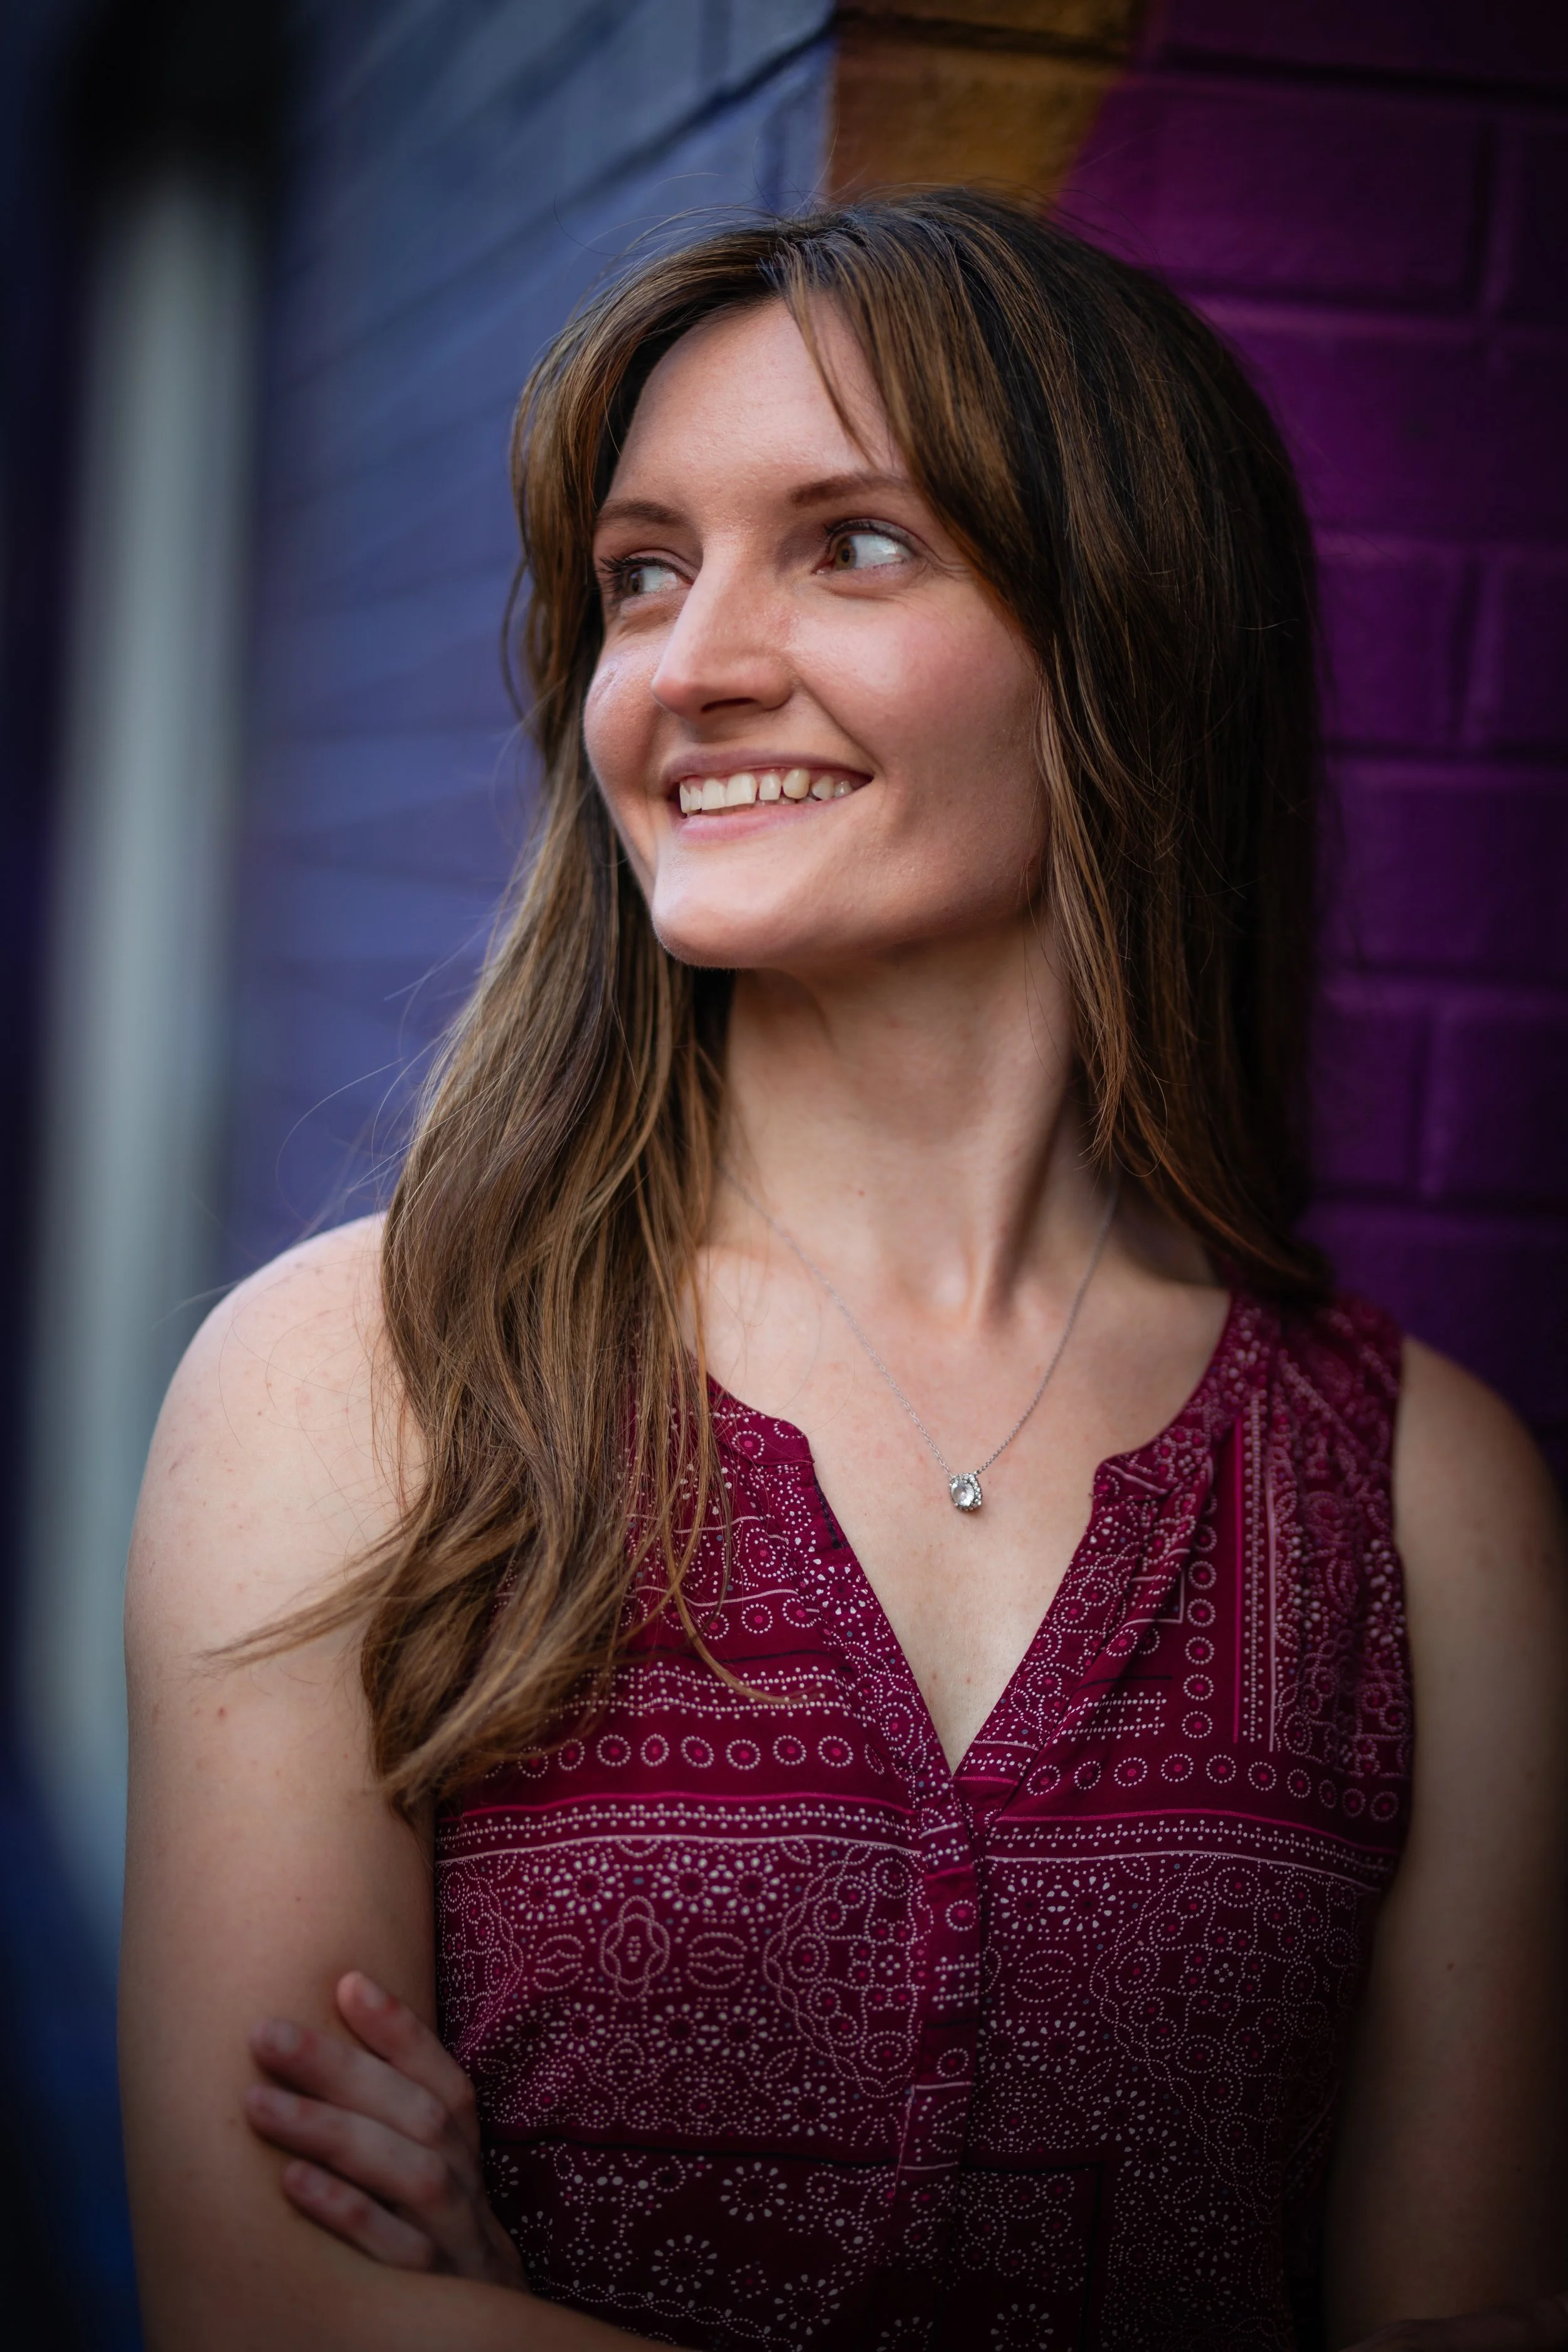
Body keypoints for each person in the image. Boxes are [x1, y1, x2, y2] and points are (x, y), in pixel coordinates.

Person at [120, 191, 1568, 2352]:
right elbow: (266, 2310)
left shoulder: (1421, 1499)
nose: (688, 665)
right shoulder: (363, 1381)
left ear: (1123, 637)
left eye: (851, 543)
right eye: (640, 572)